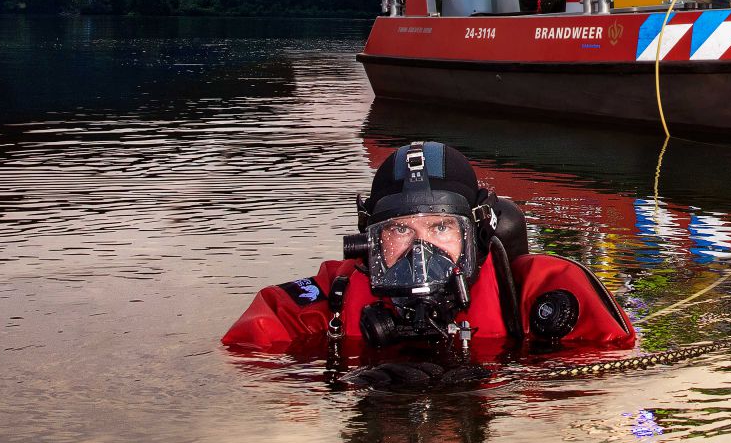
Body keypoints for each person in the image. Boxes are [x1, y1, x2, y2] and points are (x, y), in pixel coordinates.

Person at [222, 141, 636, 386]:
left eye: (440, 228)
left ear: (475, 232)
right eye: (400, 230)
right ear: (370, 241)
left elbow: (611, 377)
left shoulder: (543, 291)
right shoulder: (338, 291)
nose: (421, 251)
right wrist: (342, 384)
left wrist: (492, 384)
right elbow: (246, 357)